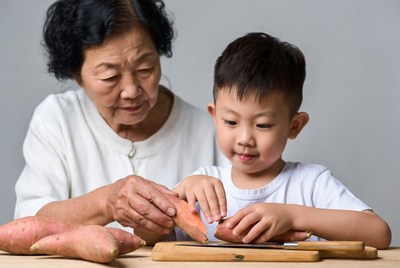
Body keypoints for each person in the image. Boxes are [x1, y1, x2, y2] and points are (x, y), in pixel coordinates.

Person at [139, 32, 392, 249]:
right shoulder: (202, 186)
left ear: (294, 126)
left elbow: (378, 233)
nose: (245, 138)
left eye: (262, 125)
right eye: (231, 122)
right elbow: (146, 240)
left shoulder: (310, 183)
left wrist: (292, 216)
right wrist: (176, 199)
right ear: (215, 117)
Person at [14, 0, 227, 237]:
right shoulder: (57, 120)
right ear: (77, 75)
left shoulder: (209, 132)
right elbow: (27, 221)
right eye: (110, 76)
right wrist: (106, 202)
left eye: (145, 69)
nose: (131, 90)